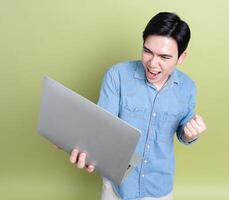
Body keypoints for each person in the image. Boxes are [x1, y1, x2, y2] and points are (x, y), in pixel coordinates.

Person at [68, 12, 207, 200]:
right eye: (147, 51)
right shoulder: (117, 75)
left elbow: (183, 132)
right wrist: (77, 142)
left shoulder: (188, 87)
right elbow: (102, 127)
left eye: (164, 57)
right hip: (118, 185)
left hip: (159, 187)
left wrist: (190, 134)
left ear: (181, 57)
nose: (152, 63)